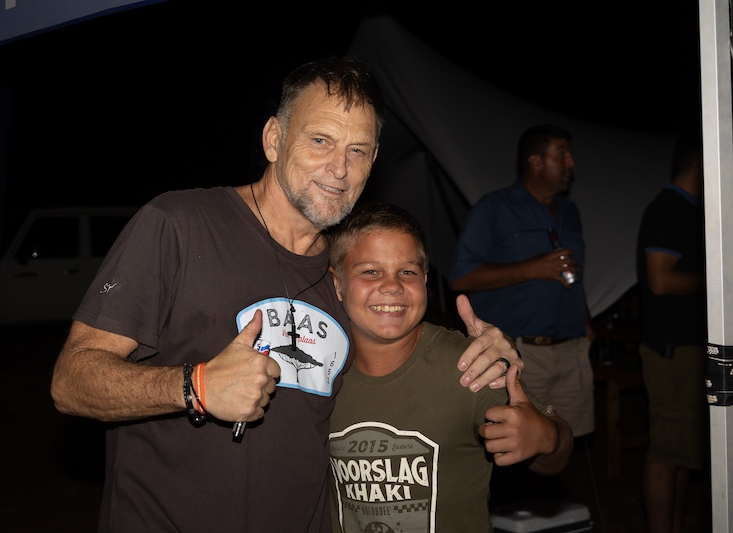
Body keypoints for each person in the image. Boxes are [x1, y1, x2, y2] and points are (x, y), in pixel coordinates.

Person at [50, 56, 523, 532]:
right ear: (274, 139)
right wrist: (195, 387)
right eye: (320, 140)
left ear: (374, 160)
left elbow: (403, 359)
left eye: (358, 150)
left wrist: (490, 354)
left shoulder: (345, 276)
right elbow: (71, 381)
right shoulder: (179, 225)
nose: (339, 169)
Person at [325, 202, 574, 533]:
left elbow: (558, 450)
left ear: (425, 279)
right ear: (337, 283)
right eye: (371, 271)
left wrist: (545, 437)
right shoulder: (316, 371)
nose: (392, 285)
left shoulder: (469, 365)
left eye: (407, 272)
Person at [448, 124, 595, 439]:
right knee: (518, 444)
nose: (571, 163)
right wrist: (534, 268)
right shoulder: (494, 208)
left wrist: (586, 322)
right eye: (562, 155)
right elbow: (460, 276)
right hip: (520, 354)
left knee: (567, 442)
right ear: (536, 162)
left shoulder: (570, 211)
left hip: (572, 350)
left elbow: (574, 274)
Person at [636, 134, 708, 533]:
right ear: (701, 162)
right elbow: (660, 281)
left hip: (688, 348)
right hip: (671, 351)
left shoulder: (692, 211)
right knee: (666, 455)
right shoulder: (667, 210)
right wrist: (716, 278)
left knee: (683, 455)